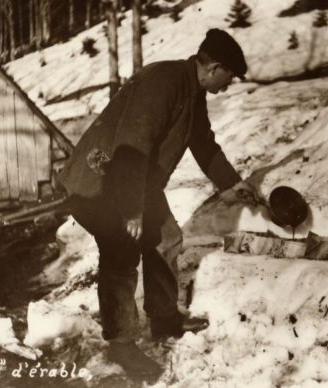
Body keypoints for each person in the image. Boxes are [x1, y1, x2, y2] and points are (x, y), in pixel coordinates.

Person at [57, 28, 260, 380]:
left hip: (132, 182)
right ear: (213, 68)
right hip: (100, 181)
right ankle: (122, 345)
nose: (229, 85)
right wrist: (130, 207)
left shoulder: (192, 92)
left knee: (167, 237)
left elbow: (203, 144)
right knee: (121, 254)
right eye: (229, 77)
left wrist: (233, 183)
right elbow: (132, 144)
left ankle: (164, 320)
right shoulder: (163, 82)